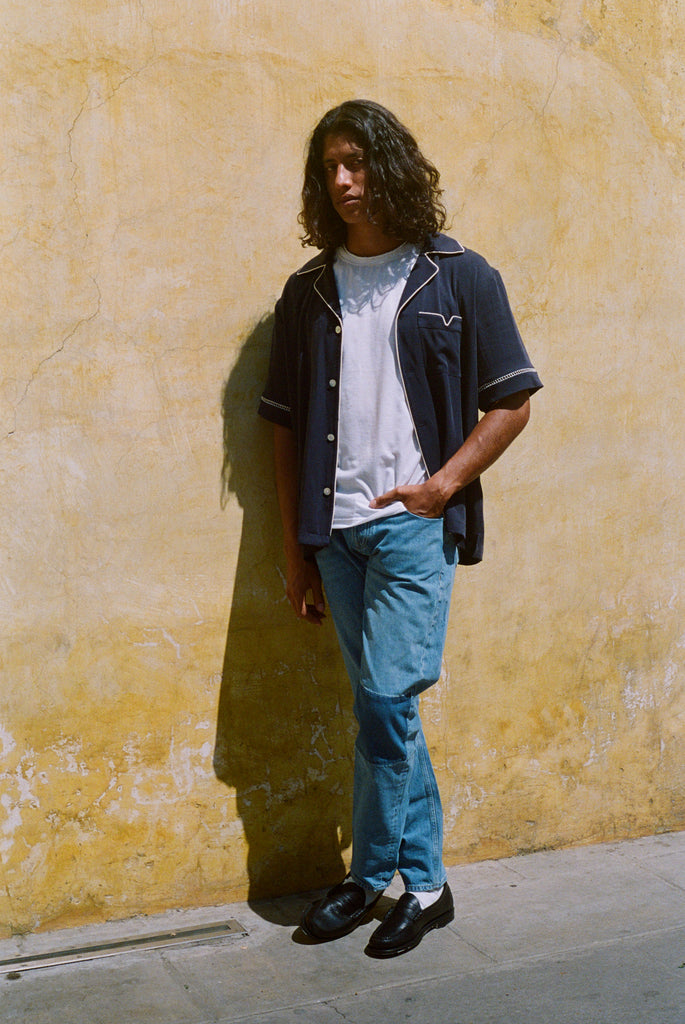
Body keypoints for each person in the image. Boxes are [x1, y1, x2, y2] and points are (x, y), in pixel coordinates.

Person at [257, 99, 542, 958]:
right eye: (329, 168)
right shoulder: (308, 292)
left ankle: (379, 875)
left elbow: (512, 401)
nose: (343, 182)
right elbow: (283, 428)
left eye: (356, 162)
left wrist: (441, 487)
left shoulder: (459, 276)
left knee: (385, 703)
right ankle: (423, 886)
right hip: (334, 532)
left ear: (390, 166)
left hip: (412, 528)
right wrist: (295, 551)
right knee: (384, 712)